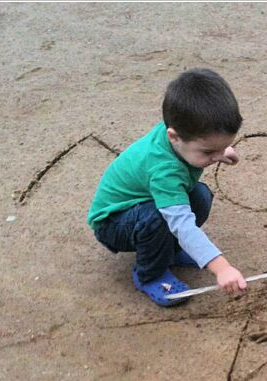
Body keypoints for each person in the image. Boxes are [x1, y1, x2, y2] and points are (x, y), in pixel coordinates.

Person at [87, 68, 248, 306]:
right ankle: (150, 275)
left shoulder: (182, 131)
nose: (215, 157)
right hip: (113, 223)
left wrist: (219, 151)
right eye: (208, 151)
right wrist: (221, 268)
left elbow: (202, 145)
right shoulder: (164, 171)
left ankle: (169, 251)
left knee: (200, 196)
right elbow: (181, 224)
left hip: (140, 206)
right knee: (158, 216)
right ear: (174, 137)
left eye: (222, 146)